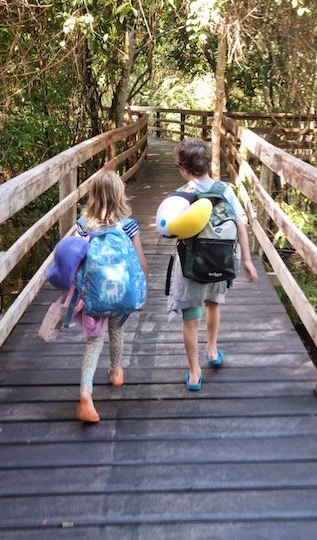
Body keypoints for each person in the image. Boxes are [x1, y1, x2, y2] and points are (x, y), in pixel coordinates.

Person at [167, 138, 258, 390]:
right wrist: (248, 261)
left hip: (191, 267)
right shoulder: (226, 190)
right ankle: (212, 349)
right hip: (221, 261)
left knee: (190, 317)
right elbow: (241, 223)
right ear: (208, 164)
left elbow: (169, 229)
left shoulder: (183, 195)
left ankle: (195, 373)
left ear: (183, 168)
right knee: (214, 304)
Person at [74, 170, 148, 423]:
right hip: (120, 293)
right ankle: (116, 372)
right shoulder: (128, 226)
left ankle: (85, 394)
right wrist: (142, 288)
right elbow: (140, 262)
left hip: (93, 295)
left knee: (93, 341)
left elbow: (76, 260)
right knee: (117, 331)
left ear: (92, 196)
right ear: (120, 196)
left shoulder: (83, 226)